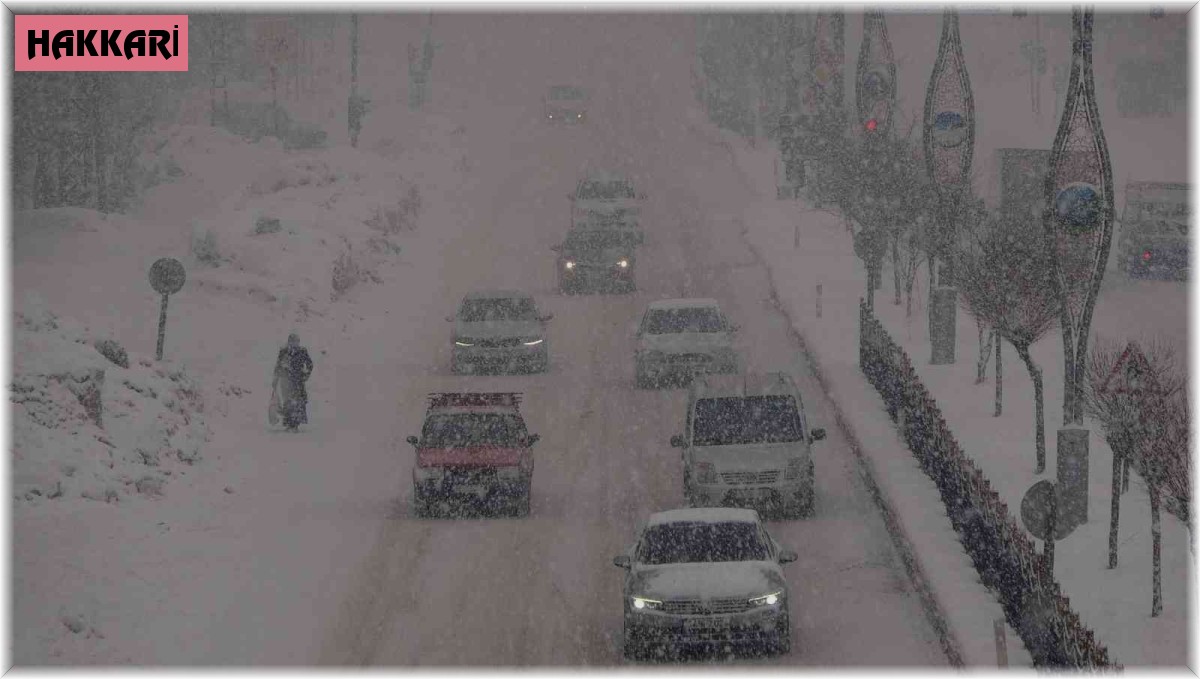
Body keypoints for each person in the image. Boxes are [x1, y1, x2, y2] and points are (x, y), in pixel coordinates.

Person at [273, 332, 313, 432]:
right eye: (292, 341)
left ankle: (295, 424)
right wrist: (276, 379)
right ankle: (289, 423)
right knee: (287, 402)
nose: (294, 343)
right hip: (286, 381)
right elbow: (278, 366)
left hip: (298, 381)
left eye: (296, 341)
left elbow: (310, 365)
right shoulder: (284, 351)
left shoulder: (302, 351)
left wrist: (305, 375)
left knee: (298, 403)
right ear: (288, 341)